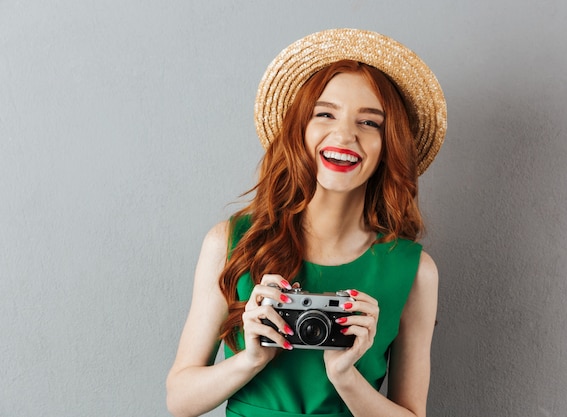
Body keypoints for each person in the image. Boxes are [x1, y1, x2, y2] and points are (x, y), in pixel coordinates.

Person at [166, 28, 447, 417]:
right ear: (300, 129)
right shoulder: (230, 242)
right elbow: (179, 400)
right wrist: (251, 359)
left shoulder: (414, 271)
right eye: (325, 114)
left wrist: (346, 377)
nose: (344, 134)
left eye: (370, 123)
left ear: (389, 145)